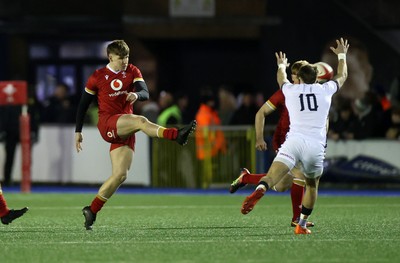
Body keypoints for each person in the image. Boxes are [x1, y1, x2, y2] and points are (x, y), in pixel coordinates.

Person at [74, 40, 196, 230]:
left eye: (127, 57)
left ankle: (92, 209)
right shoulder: (97, 76)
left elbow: (145, 92)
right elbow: (83, 105)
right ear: (110, 57)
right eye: (120, 58)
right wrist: (78, 131)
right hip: (108, 123)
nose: (124, 61)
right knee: (140, 121)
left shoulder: (132, 71)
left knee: (120, 175)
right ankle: (176, 135)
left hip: (125, 126)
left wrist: (136, 96)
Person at [240, 38, 349, 235]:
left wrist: (281, 65)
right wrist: (342, 55)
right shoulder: (325, 90)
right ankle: (302, 224)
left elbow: (281, 78)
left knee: (273, 177)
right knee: (311, 185)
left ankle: (260, 189)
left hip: (294, 141)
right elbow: (342, 75)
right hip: (315, 146)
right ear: (317, 78)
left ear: (299, 77)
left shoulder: (290, 90)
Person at [229, 60, 315, 227]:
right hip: (285, 141)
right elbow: (261, 113)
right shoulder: (286, 92)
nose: (297, 79)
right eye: (295, 76)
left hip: (300, 140)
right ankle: (297, 219)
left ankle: (246, 177)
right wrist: (260, 138)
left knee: (282, 184)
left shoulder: (312, 92)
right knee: (300, 175)